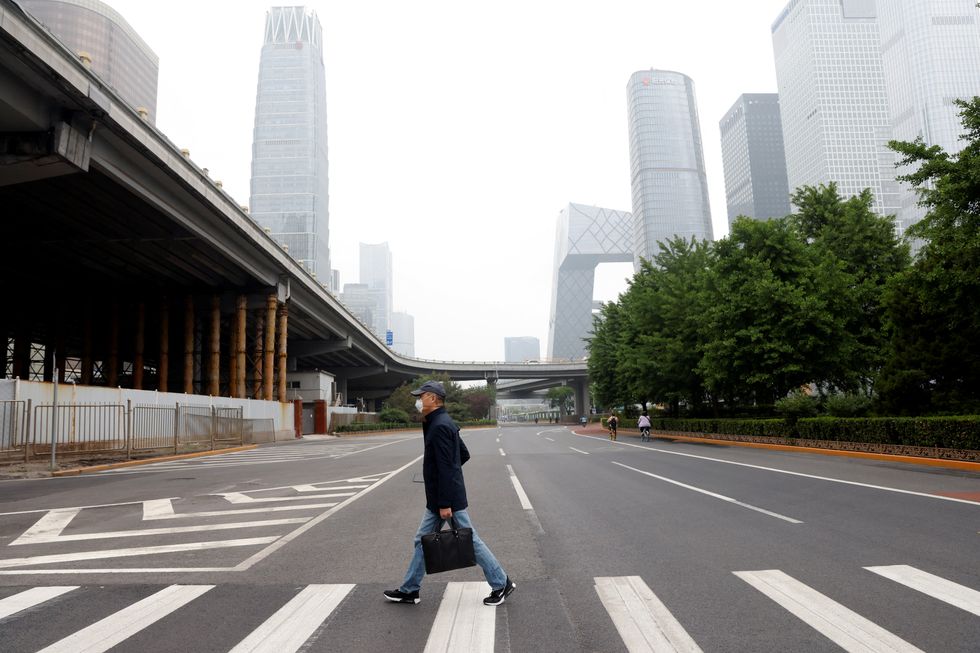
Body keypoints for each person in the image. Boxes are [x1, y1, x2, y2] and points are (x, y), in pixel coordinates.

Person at [384, 380, 517, 607]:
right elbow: (462, 455)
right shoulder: (439, 422)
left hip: (445, 499)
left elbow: (448, 465)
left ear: (433, 398)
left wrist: (446, 498)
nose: (418, 401)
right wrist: (445, 480)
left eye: (421, 396)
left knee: (469, 539)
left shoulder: (440, 426)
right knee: (422, 541)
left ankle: (501, 582)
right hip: (440, 496)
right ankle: (409, 589)